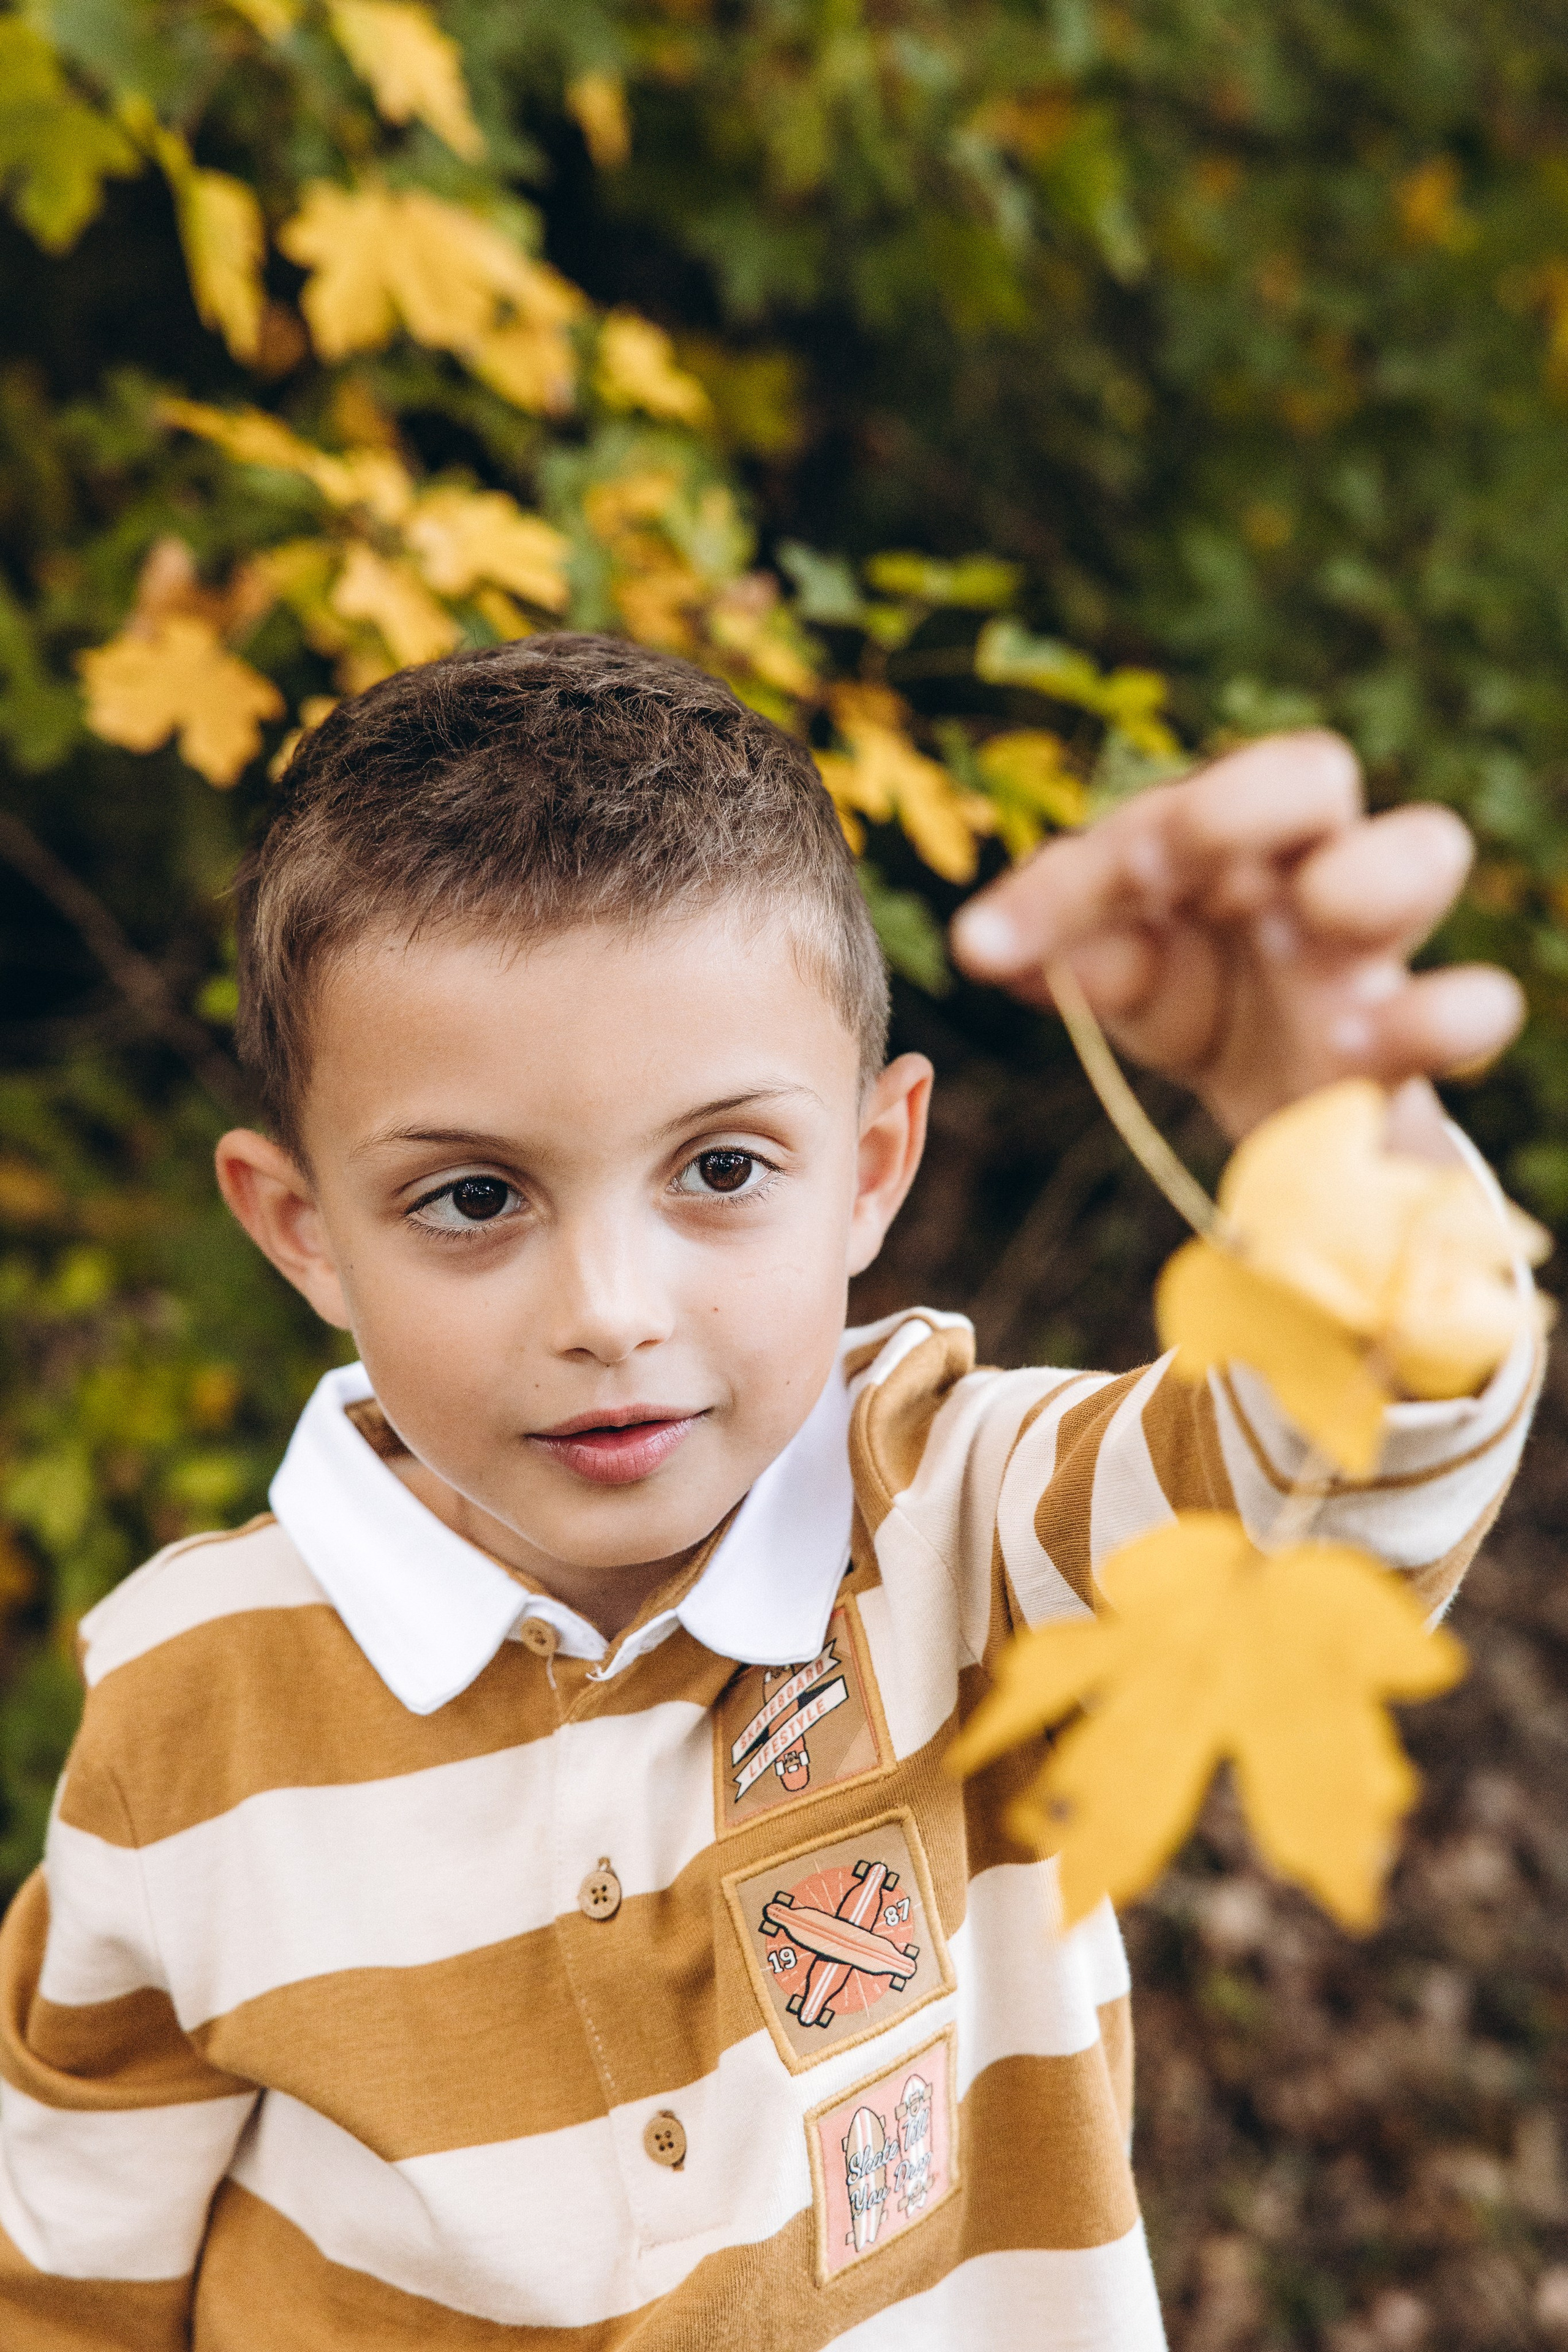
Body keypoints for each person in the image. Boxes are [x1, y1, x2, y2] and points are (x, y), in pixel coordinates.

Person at [0, 634, 1537, 2349]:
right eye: (474, 1199)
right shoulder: (183, 1714)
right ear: (303, 1231)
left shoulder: (964, 1529)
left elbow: (1328, 1485)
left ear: (872, 1168)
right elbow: (65, 2279)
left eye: (721, 1168)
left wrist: (1349, 1171)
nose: (610, 1313)